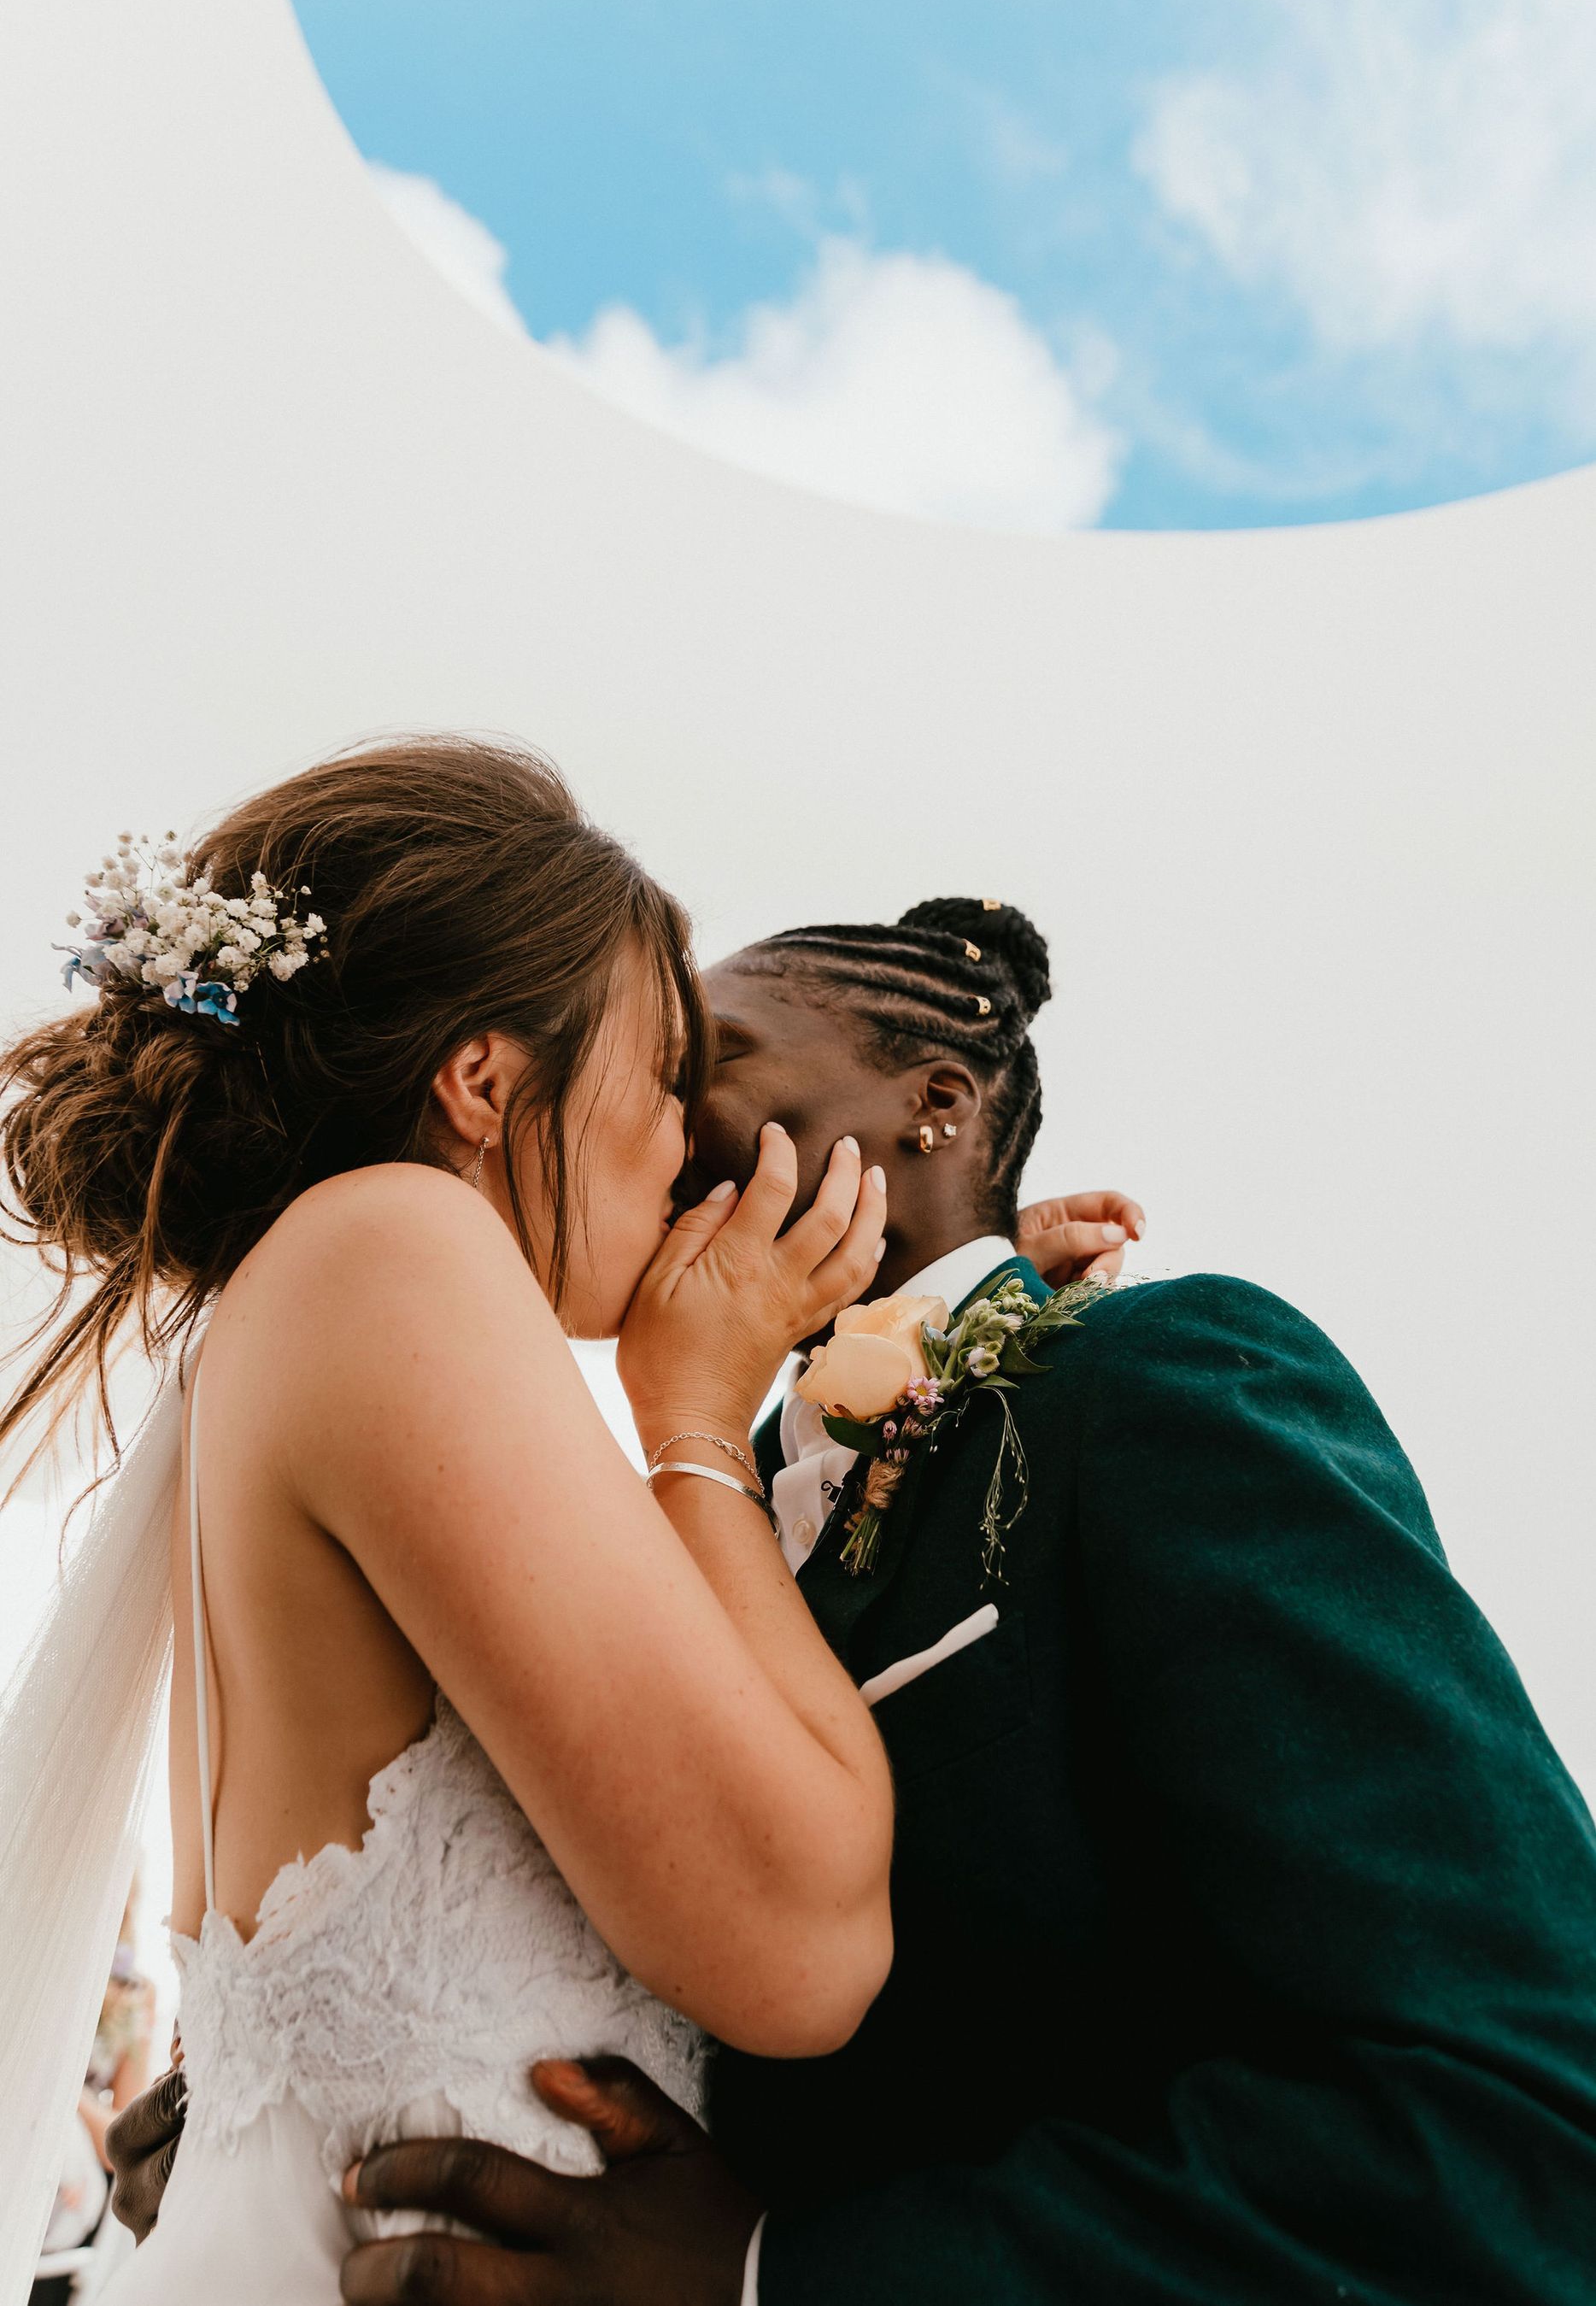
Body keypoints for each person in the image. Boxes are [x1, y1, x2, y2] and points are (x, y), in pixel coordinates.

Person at [209, 898, 1594, 2303]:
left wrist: (775, 2273)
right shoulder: (696, 1497)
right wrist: (287, 2123)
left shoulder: (1155, 1380)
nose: (661, 1114)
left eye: (709, 1059)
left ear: (933, 1104)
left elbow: (1510, 2112)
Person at [0, 736, 1117, 2302]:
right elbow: (800, 1948)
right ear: (483, 1080)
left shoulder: (319, 1300)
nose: (685, 1136)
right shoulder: (390, 1244)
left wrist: (923, 1311)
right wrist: (692, 1413)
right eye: (663, 1071)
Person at [30, 1892, 152, 2304]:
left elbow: (123, 2142)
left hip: (68, 2205)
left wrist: (65, 2093)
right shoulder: (33, 1959)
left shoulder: (136, 1992)